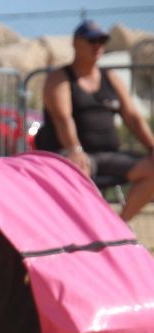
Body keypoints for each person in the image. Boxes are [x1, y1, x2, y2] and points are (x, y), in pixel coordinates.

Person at [34, 19, 154, 222]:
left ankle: (118, 226)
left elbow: (132, 117)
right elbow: (63, 118)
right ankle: (88, 228)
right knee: (79, 168)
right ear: (75, 44)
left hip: (109, 155)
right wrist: (75, 148)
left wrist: (152, 146)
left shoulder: (110, 77)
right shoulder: (60, 78)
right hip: (74, 155)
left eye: (102, 40)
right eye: (91, 40)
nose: (97, 45)